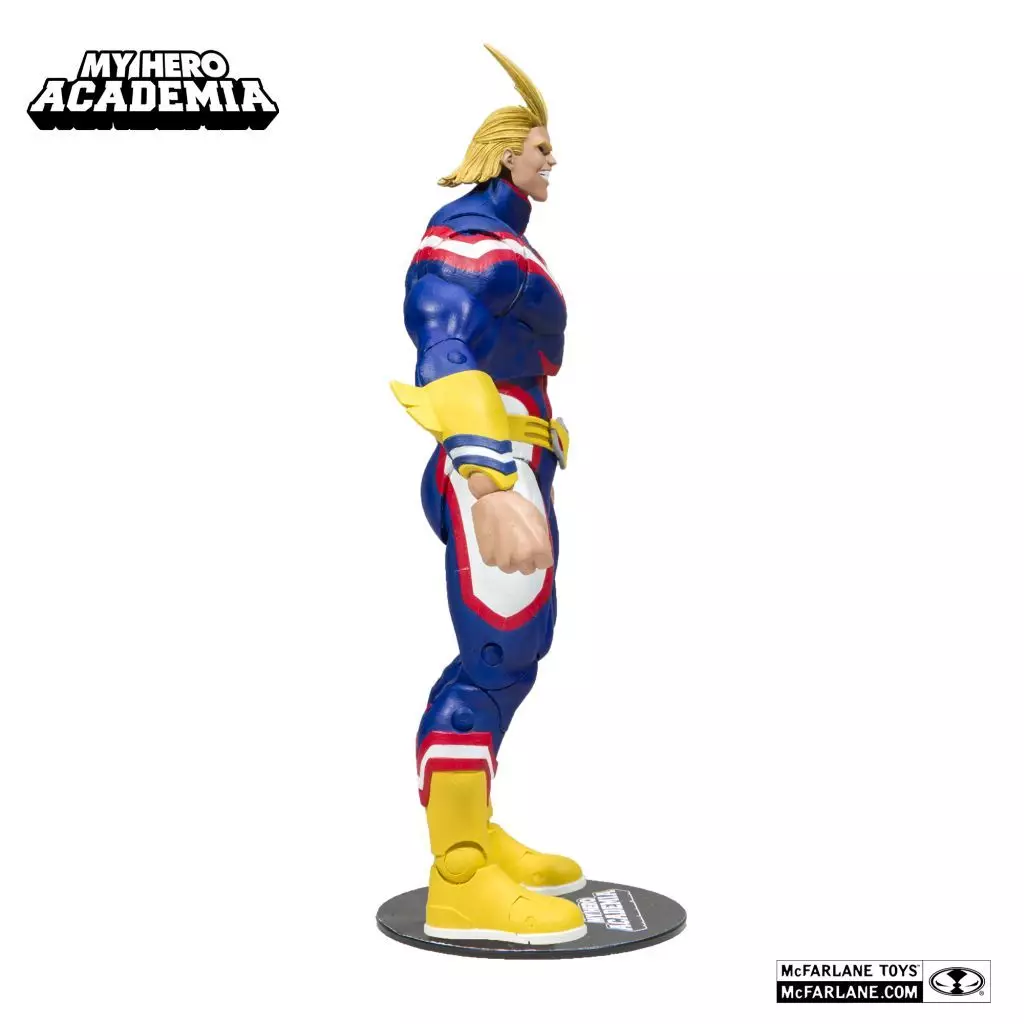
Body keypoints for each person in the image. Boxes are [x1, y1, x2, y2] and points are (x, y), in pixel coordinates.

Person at [391, 45, 587, 944]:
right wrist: (488, 478)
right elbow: (442, 348)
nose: (553, 161)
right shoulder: (468, 239)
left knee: (514, 651)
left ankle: (471, 828)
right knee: (495, 656)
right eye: (541, 148)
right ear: (506, 151)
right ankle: (460, 873)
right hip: (495, 465)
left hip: (519, 462)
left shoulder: (503, 238)